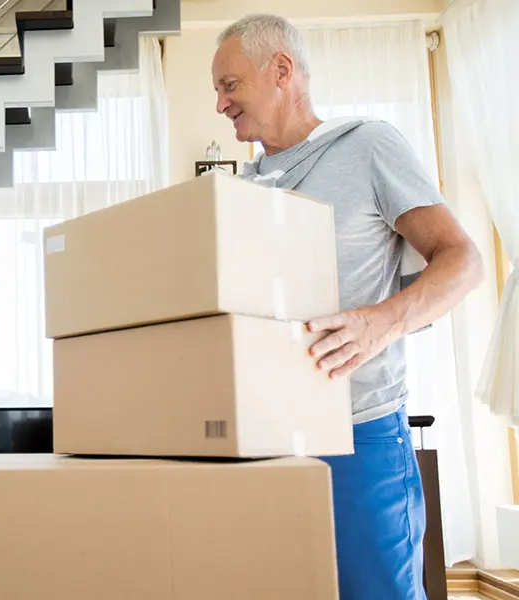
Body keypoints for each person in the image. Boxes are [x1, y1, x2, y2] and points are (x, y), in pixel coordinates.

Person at [212, 14, 482, 600]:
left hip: (358, 436)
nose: (220, 103)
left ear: (281, 70)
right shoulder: (242, 189)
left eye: (230, 85)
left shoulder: (368, 146)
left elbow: (463, 259)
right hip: (263, 440)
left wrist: (379, 323)